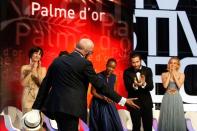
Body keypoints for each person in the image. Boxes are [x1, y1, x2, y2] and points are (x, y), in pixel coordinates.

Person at [30, 38, 139, 131]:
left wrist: (36, 108)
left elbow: (45, 85)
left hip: (55, 108)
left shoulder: (58, 61)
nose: (91, 55)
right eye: (91, 52)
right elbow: (100, 85)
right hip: (71, 110)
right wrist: (123, 100)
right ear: (86, 51)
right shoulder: (85, 64)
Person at [89, 58, 124, 131]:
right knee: (103, 126)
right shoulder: (98, 76)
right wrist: (103, 98)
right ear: (106, 65)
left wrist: (112, 99)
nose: (110, 69)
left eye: (113, 67)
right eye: (109, 66)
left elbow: (113, 92)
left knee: (116, 125)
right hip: (98, 104)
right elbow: (93, 92)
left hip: (109, 104)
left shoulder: (114, 77)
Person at [123, 52, 154, 131]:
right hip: (134, 104)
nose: (136, 64)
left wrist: (143, 84)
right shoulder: (127, 72)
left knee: (148, 127)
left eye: (137, 62)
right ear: (131, 62)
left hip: (147, 103)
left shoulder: (148, 70)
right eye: (133, 62)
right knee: (136, 127)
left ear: (141, 61)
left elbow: (151, 87)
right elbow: (127, 88)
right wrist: (135, 85)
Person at [20, 46, 46, 130]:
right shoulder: (24, 68)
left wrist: (36, 69)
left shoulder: (43, 69)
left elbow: (42, 84)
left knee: (38, 122)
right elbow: (23, 83)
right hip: (27, 96)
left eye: (40, 54)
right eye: (36, 53)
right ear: (31, 54)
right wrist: (31, 70)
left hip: (38, 96)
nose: (37, 55)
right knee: (27, 121)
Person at [158, 57, 186, 131]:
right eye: (171, 63)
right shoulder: (164, 74)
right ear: (168, 64)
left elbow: (179, 85)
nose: (172, 65)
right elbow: (165, 86)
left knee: (176, 117)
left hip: (176, 97)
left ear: (177, 65)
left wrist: (174, 74)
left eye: (174, 63)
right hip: (167, 97)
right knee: (167, 116)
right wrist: (170, 74)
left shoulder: (181, 75)